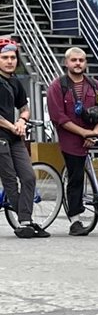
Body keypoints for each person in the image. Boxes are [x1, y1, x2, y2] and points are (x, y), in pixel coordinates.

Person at [47, 48, 98, 236]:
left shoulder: (95, 85)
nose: (78, 63)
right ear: (66, 63)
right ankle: (75, 221)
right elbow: (59, 117)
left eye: (81, 60)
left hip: (95, 132)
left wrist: (95, 133)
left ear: (85, 63)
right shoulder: (57, 87)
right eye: (74, 60)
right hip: (72, 137)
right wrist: (84, 134)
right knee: (76, 177)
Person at [0, 40, 47, 239]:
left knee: (29, 177)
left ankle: (25, 221)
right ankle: (26, 222)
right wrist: (12, 126)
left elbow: (25, 108)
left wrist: (21, 120)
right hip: (2, 137)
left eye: (13, 57)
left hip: (15, 137)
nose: (9, 61)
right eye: (4, 57)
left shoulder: (15, 82)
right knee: (10, 181)